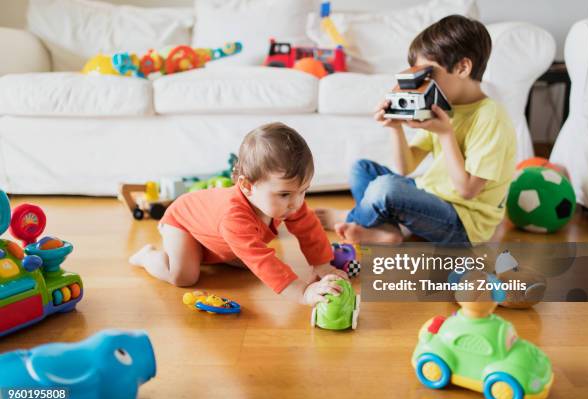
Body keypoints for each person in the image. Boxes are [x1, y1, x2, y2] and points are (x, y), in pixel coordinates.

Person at [317, 15, 516, 244]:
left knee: (386, 188)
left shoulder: (491, 116)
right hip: (432, 197)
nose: (422, 84)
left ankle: (355, 218)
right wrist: (396, 129)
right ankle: (388, 233)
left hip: (464, 223)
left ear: (462, 67)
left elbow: (467, 191)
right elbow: (405, 168)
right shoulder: (444, 105)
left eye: (428, 74)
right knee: (362, 169)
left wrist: (445, 134)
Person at [130, 122, 346, 306]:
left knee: (247, 261)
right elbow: (264, 262)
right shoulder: (234, 217)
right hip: (183, 223)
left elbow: (308, 228)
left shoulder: (287, 202)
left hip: (214, 236)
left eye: (304, 190)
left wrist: (322, 265)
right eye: (284, 194)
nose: (296, 202)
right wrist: (303, 292)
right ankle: (147, 256)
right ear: (247, 186)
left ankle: (214, 254)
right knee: (184, 277)